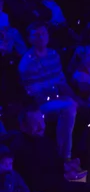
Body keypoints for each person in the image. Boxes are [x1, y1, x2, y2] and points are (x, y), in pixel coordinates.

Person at [18, 22, 79, 166]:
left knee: (75, 103)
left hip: (57, 99)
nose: (41, 37)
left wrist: (77, 99)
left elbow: (62, 82)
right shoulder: (27, 63)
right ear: (29, 39)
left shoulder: (53, 54)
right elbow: (36, 96)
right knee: (68, 107)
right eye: (36, 35)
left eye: (43, 34)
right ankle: (64, 157)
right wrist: (62, 99)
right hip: (39, 106)